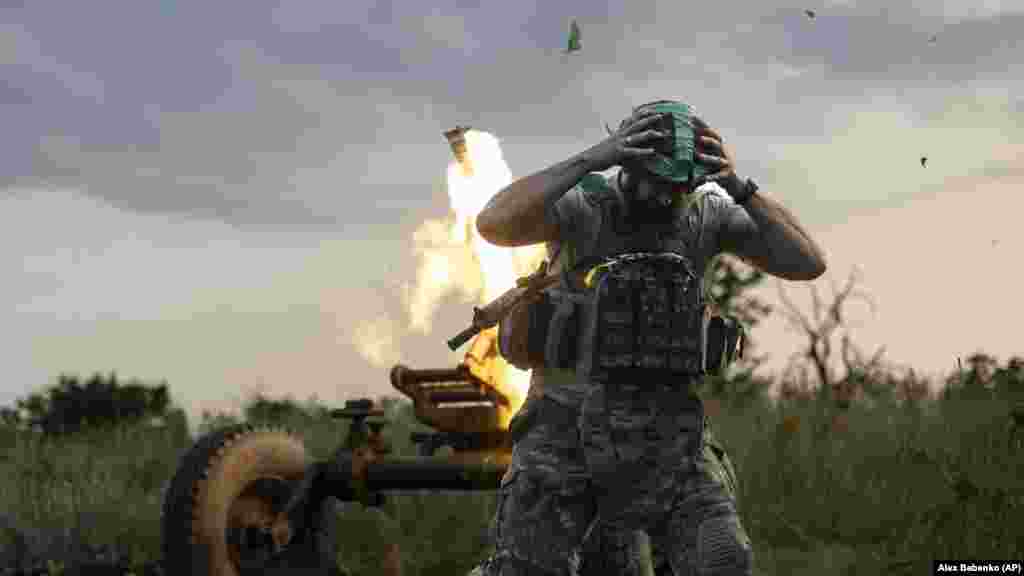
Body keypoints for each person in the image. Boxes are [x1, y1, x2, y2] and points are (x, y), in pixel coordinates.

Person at [472, 99, 827, 576]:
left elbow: (807, 262)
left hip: (668, 432)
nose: (664, 198)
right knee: (528, 568)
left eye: (677, 187)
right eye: (654, 183)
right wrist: (589, 159)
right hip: (564, 424)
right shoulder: (584, 204)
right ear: (626, 163)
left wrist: (738, 187)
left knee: (720, 559)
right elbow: (493, 223)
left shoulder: (707, 213)